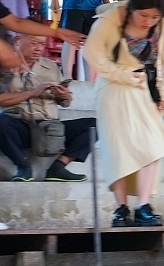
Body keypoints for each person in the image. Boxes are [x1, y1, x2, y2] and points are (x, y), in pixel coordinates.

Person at [83, 0, 164, 227]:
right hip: (112, 90)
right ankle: (121, 207)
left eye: (154, 17)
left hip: (144, 90)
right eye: (143, 15)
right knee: (118, 150)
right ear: (132, 7)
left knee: (153, 144)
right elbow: (92, 55)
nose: (148, 21)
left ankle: (143, 206)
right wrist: (122, 75)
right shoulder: (110, 19)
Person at [0, 34, 94, 182]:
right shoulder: (5, 64)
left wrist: (63, 96)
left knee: (95, 125)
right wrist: (32, 92)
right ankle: (23, 167)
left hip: (50, 127)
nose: (38, 48)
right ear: (17, 40)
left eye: (42, 44)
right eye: (34, 43)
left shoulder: (50, 66)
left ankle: (58, 167)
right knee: (2, 122)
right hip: (20, 126)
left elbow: (66, 102)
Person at [56, 0, 107, 81]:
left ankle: (90, 79)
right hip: (73, 3)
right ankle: (67, 77)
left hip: (94, 5)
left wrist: (106, 2)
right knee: (70, 38)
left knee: (90, 42)